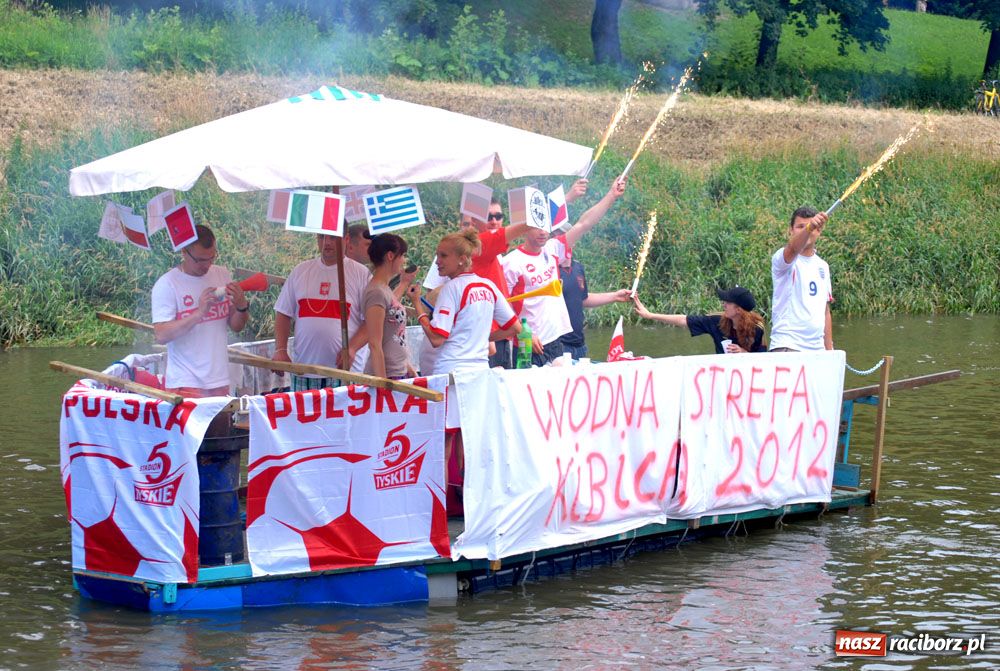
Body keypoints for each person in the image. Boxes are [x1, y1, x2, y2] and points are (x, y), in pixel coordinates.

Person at [502, 177, 628, 366]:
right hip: (527, 344)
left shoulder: (553, 249)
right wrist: (521, 331)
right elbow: (501, 305)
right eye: (536, 227)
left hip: (555, 342)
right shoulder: (511, 262)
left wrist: (611, 196)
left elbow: (583, 224)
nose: (543, 232)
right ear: (524, 228)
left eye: (545, 226)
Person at [151, 225, 249, 397]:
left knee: (222, 425)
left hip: (219, 379)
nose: (207, 265)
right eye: (200, 260)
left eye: (211, 258)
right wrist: (199, 313)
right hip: (185, 382)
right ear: (184, 252)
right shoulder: (167, 284)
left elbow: (236, 326)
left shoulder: (221, 274)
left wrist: (241, 306)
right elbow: (161, 335)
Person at [410, 229, 520, 375]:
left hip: (451, 372)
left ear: (461, 259)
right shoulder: (489, 286)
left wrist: (417, 304)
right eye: (437, 255)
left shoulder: (450, 289)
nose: (437, 261)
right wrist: (478, 337)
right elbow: (515, 328)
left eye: (443, 256)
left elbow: (436, 339)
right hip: (480, 371)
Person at [272, 233, 372, 390]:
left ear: (346, 239)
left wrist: (352, 348)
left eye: (333, 238)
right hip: (304, 371)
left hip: (346, 373)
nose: (327, 243)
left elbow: (372, 322)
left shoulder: (362, 274)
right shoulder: (300, 271)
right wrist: (280, 349)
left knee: (345, 415)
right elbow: (283, 313)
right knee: (303, 415)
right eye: (322, 237)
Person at [770, 207, 833, 352]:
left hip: (817, 349)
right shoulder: (783, 258)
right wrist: (810, 227)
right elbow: (793, 249)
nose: (807, 230)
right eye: (800, 227)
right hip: (788, 346)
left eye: (811, 226)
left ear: (819, 231)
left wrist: (829, 350)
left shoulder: (823, 266)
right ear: (791, 231)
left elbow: (825, 311)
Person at [632, 286, 767, 354]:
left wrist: (743, 353)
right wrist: (650, 315)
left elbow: (765, 362)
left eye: (727, 302)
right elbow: (684, 320)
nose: (723, 304)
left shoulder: (757, 328)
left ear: (738, 310)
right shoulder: (717, 321)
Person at [363, 233, 417, 379]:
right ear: (391, 256)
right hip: (387, 375)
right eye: (403, 255)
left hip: (398, 371)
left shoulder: (384, 289)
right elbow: (375, 343)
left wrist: (407, 366)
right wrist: (382, 385)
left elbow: (391, 333)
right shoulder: (376, 292)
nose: (404, 260)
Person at [559, 258, 633, 359]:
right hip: (558, 346)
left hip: (579, 346)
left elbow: (583, 299)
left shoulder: (577, 267)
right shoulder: (549, 268)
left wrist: (615, 296)